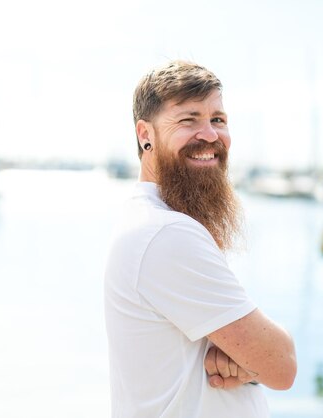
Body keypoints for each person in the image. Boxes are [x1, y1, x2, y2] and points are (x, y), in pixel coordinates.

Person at [104, 60, 297, 417]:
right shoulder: (166, 234)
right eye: (188, 120)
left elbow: (262, 361)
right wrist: (259, 355)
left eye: (218, 120)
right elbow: (282, 365)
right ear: (145, 135)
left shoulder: (152, 221)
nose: (210, 135)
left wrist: (247, 361)